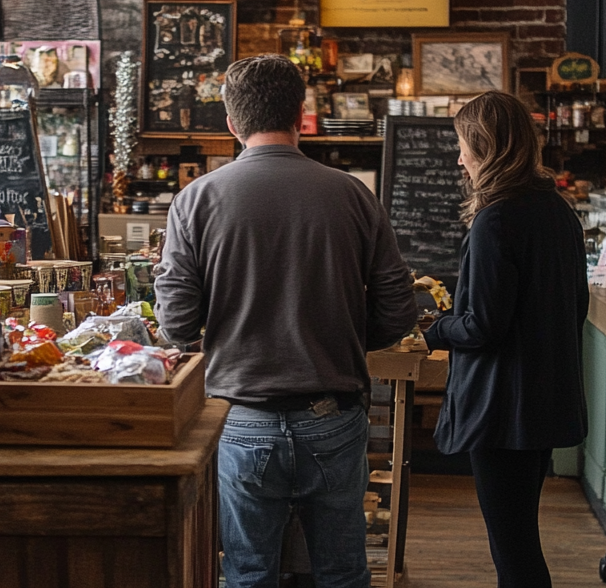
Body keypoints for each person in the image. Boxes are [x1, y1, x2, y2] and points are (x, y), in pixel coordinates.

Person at [156, 55, 418, 588]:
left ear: (231, 123)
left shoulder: (195, 200)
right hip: (334, 413)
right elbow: (398, 309)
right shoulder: (353, 194)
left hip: (241, 415)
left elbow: (176, 324)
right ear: (301, 114)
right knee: (343, 573)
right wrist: (339, 334)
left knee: (250, 574)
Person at [426, 91, 588, 588]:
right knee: (519, 539)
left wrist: (433, 328)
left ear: (485, 146)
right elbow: (572, 307)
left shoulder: (496, 219)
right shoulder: (557, 210)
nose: (458, 159)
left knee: (514, 550)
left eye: (462, 147)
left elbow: (482, 326)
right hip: (545, 400)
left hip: (503, 410)